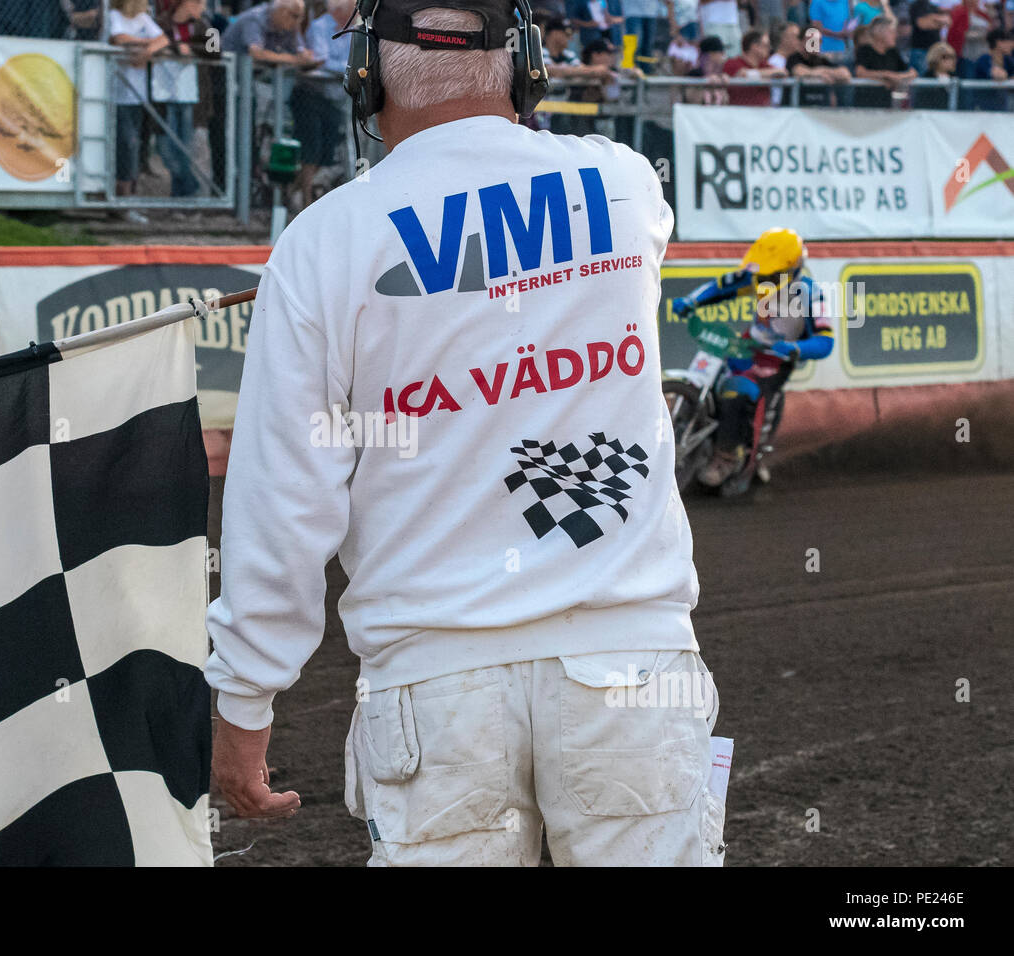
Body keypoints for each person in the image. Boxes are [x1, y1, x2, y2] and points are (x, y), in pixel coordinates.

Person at [207, 0, 721, 868]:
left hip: (434, 688)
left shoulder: (321, 242)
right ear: (526, 68)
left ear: (364, 74)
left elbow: (283, 498)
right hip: (632, 667)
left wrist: (245, 697)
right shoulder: (628, 186)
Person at [670, 228, 834, 488]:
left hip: (775, 359)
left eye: (769, 274)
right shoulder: (755, 275)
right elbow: (720, 287)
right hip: (747, 344)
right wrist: (691, 301)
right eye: (760, 274)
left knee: (738, 391)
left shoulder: (810, 294)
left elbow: (826, 341)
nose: (761, 279)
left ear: (790, 270)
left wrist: (795, 349)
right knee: (709, 373)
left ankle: (726, 457)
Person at [108, 0, 170, 217]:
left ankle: (127, 198)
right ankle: (119, 199)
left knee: (135, 146)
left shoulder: (143, 19)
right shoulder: (115, 16)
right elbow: (119, 39)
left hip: (138, 97)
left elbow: (163, 39)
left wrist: (146, 50)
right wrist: (145, 42)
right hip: (117, 95)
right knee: (125, 145)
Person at [291, 0, 354, 211]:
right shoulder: (320, 27)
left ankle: (295, 192)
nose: (357, 13)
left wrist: (345, 67)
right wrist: (347, 68)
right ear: (338, 11)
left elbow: (356, 60)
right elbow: (321, 60)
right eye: (352, 9)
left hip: (334, 99)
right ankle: (305, 201)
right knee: (312, 148)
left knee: (328, 151)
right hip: (310, 95)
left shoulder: (355, 29)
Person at [153, 0, 208, 198]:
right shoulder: (160, 23)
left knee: (185, 146)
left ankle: (181, 196)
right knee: (166, 148)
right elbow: (154, 44)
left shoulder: (204, 24)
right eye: (200, 4)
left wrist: (190, 49)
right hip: (163, 92)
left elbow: (216, 49)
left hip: (190, 95)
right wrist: (177, 49)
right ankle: (190, 187)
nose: (203, 9)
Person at [782, 19, 853, 103]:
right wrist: (820, 75)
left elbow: (845, 74)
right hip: (797, 109)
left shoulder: (821, 60)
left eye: (819, 40)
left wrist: (823, 73)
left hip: (820, 109)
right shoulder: (794, 58)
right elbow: (798, 71)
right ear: (801, 41)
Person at [854, 14, 915, 105]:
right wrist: (885, 76)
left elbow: (912, 72)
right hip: (866, 104)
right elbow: (860, 72)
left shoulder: (893, 52)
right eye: (891, 32)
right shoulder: (865, 50)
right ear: (879, 33)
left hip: (886, 104)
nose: (895, 35)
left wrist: (897, 78)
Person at [723, 28, 788, 103]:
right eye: (766, 45)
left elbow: (783, 72)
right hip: (739, 111)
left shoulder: (764, 65)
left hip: (763, 112)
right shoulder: (732, 63)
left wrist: (750, 74)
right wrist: (765, 74)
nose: (769, 49)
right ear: (754, 46)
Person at [972, 27, 1014, 108]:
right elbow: (997, 75)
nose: (1012, 44)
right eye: (1008, 41)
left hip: (1002, 107)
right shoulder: (984, 59)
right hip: (984, 107)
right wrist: (1007, 78)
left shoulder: (1007, 60)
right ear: (999, 42)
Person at [908, 0, 950, 71]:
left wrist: (932, 18)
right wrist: (937, 20)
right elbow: (922, 24)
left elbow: (947, 21)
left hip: (935, 51)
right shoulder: (916, 6)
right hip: (921, 50)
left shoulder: (933, 7)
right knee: (921, 77)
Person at [913, 38, 958, 105]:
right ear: (936, 58)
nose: (951, 61)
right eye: (945, 57)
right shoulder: (926, 79)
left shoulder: (955, 78)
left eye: (952, 57)